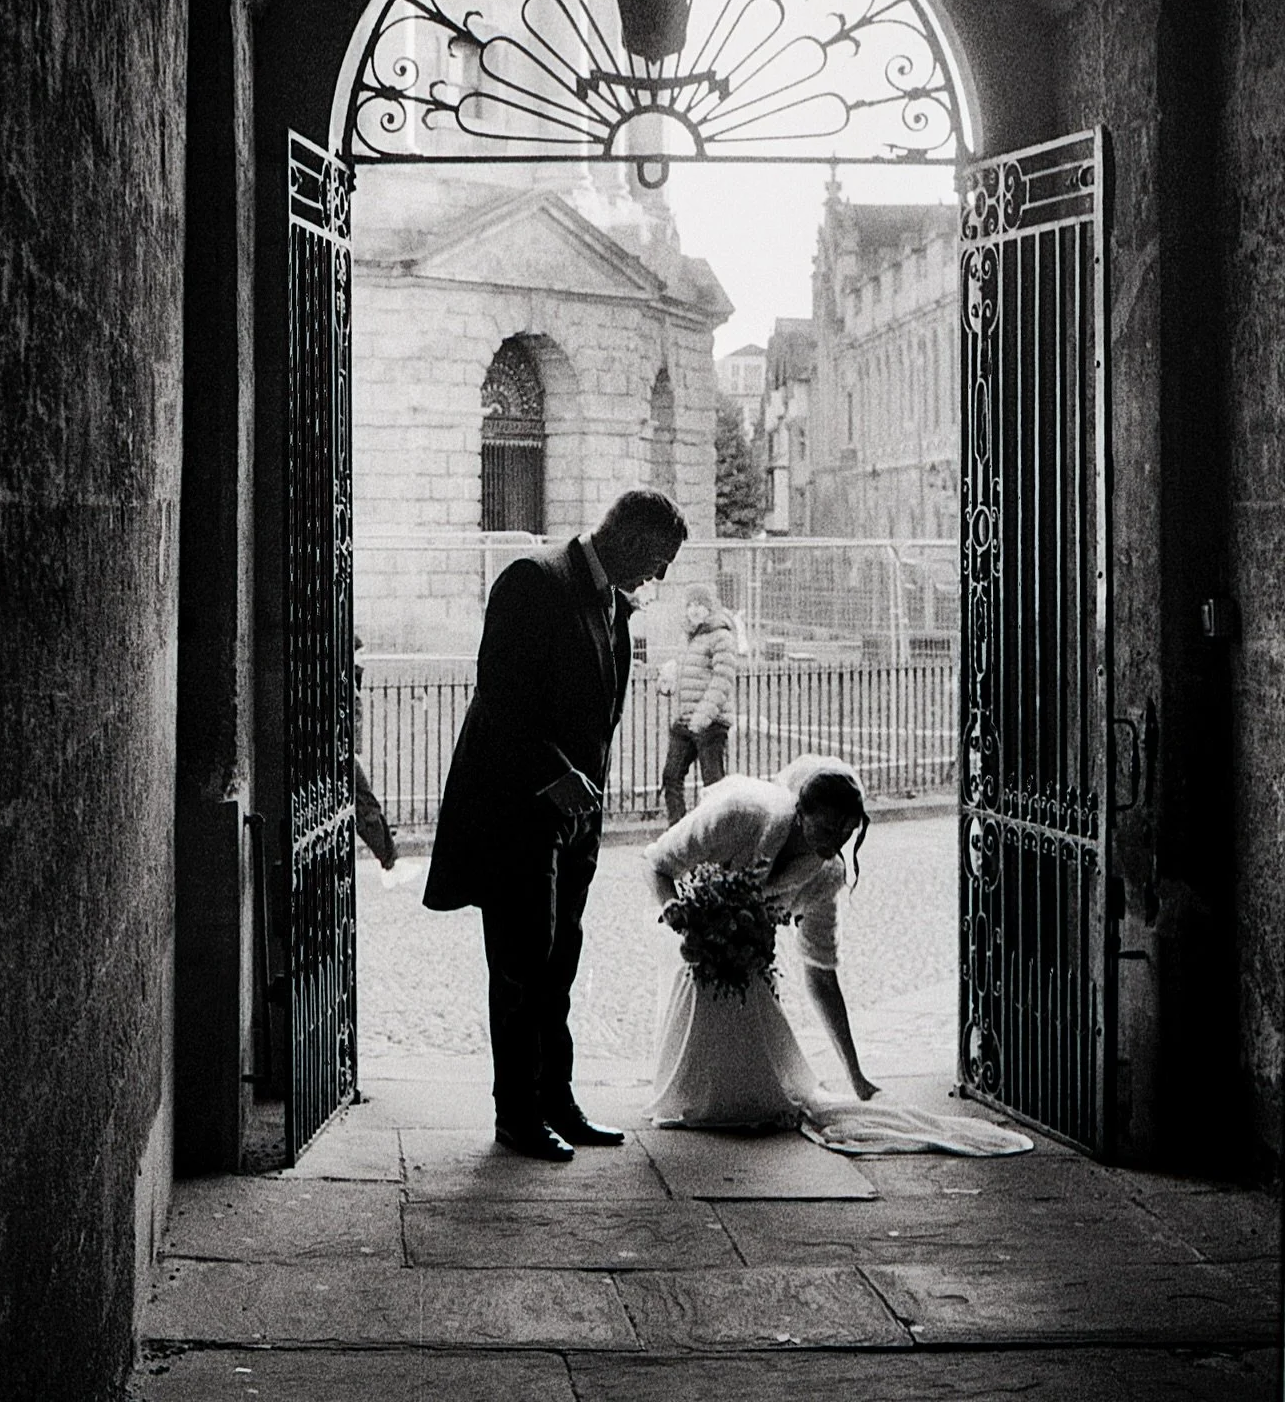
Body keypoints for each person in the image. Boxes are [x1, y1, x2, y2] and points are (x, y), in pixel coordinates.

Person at [423, 488, 689, 1161]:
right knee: (521, 967)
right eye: (658, 559)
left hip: (574, 819)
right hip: (517, 808)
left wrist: (585, 796)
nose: (658, 576)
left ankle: (556, 1100)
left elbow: (599, 712)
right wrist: (554, 771)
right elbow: (499, 693)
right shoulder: (533, 580)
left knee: (560, 961)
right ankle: (516, 1114)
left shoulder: (612, 602)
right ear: (629, 538)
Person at [645, 753, 1032, 1156]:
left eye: (846, 833)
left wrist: (856, 1076)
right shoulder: (740, 814)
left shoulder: (825, 875)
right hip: (685, 933)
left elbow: (821, 972)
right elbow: (657, 864)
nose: (835, 843)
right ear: (800, 813)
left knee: (761, 1087)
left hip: (743, 959)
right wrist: (683, 917)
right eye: (828, 828)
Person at [657, 583, 737, 824]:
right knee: (671, 777)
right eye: (690, 605)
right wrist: (668, 682)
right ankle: (678, 833)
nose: (694, 610)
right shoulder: (688, 637)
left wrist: (702, 717)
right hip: (686, 721)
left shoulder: (721, 636)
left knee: (713, 785)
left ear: (710, 608)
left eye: (700, 605)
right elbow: (688, 674)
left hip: (711, 722)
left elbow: (722, 680)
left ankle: (718, 836)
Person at [352, 633, 396, 871]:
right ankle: (389, 861)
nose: (364, 660)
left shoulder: (351, 678)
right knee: (365, 804)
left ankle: (389, 859)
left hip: (348, 753)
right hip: (345, 755)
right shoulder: (345, 681)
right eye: (360, 654)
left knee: (364, 805)